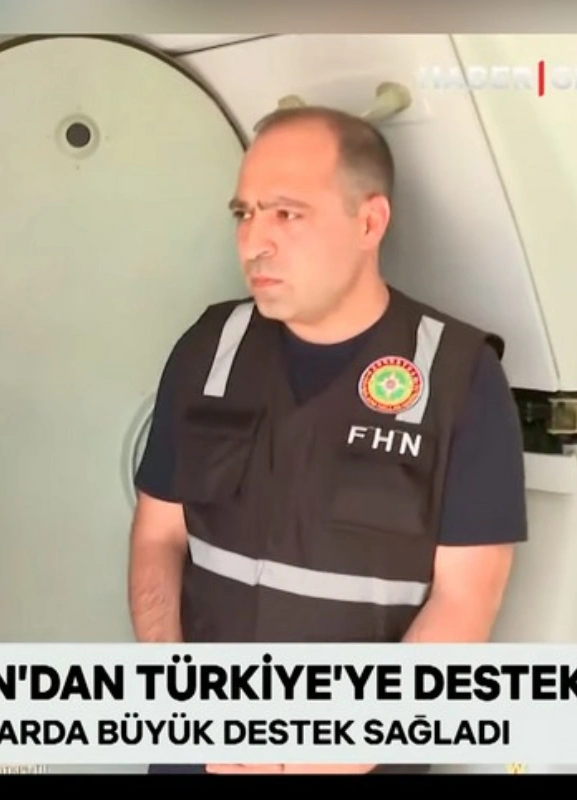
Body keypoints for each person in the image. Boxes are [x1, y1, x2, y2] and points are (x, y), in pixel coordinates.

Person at [127, 106, 527, 775]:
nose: (254, 242)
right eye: (244, 213)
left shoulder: (458, 378)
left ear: (369, 223)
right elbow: (157, 537)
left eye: (287, 214)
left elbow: (466, 599)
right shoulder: (208, 348)